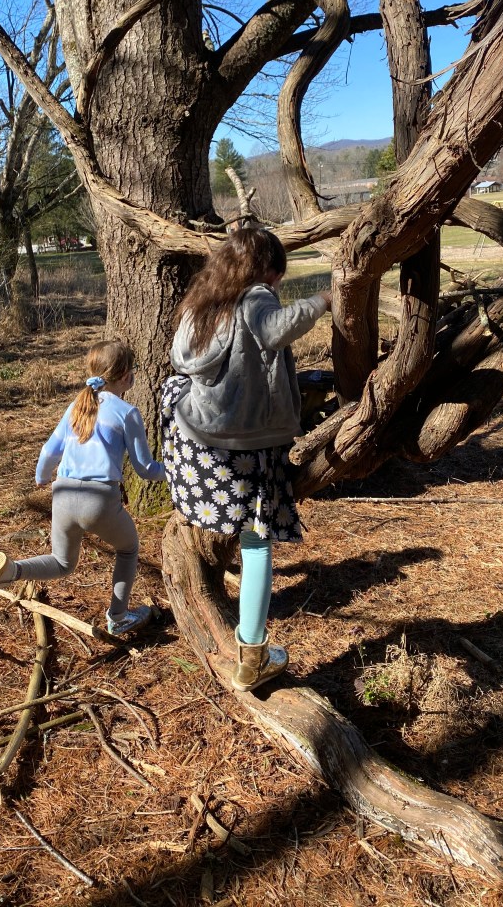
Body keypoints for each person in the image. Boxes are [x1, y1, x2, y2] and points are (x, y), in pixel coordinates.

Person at [161, 228, 331, 691]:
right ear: (266, 269)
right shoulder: (256, 296)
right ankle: (252, 658)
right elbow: (275, 329)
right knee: (257, 546)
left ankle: (192, 506)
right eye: (277, 273)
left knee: (173, 393)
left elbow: (182, 363)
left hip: (202, 445)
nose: (278, 282)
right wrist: (323, 300)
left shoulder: (202, 304)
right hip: (251, 446)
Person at [0, 340, 166, 636]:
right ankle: (119, 617)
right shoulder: (127, 413)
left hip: (63, 494)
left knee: (62, 562)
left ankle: (12, 571)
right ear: (125, 377)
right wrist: (175, 472)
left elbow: (49, 450)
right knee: (128, 548)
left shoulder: (76, 407)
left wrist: (41, 476)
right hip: (99, 499)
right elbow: (145, 468)